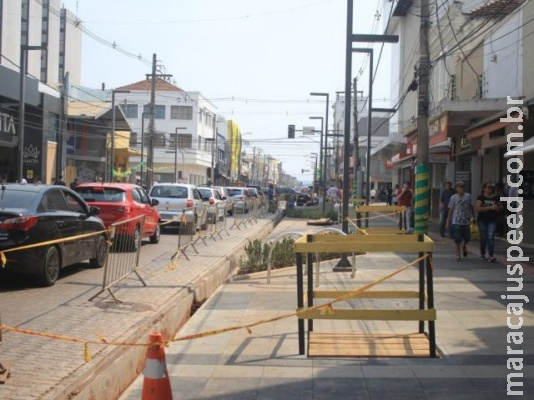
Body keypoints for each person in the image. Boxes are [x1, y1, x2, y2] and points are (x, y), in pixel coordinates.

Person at [446, 181, 475, 261]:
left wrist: (473, 216)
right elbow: (451, 209)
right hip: (456, 220)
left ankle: (464, 245)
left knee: (467, 238)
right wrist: (448, 221)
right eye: (460, 187)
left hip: (466, 220)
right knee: (457, 238)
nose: (462, 189)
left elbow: (470, 206)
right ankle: (457, 253)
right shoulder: (453, 197)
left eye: (463, 187)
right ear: (456, 188)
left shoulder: (468, 196)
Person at [476, 182, 501, 262]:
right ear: (484, 189)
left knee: (490, 237)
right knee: (484, 237)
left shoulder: (495, 198)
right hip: (482, 220)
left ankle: (491, 255)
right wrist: (490, 207)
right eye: (489, 187)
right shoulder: (480, 197)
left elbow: (500, 207)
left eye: (491, 188)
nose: (490, 189)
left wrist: (498, 208)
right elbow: (478, 208)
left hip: (492, 220)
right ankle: (482, 253)